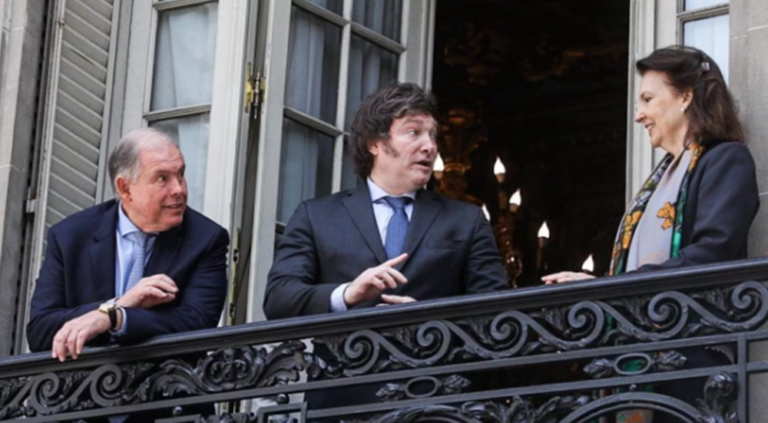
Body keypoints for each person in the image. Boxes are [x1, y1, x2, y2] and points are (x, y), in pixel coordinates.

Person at [543, 46, 759, 422]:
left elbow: (713, 252)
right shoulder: (659, 179)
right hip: (643, 363)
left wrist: (612, 287)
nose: (639, 114)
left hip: (691, 364)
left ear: (685, 96)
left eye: (647, 99)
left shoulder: (726, 159)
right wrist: (603, 286)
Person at [264, 82, 508, 413]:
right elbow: (279, 298)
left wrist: (430, 322)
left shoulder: (466, 220)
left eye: (432, 135)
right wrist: (348, 294)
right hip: (343, 405)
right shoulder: (316, 215)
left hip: (439, 405)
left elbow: (497, 316)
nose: (430, 146)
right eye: (414, 132)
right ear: (375, 143)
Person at [27, 128, 229, 421]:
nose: (179, 189)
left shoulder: (206, 239)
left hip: (167, 411)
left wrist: (117, 319)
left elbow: (196, 322)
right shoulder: (70, 236)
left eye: (181, 174)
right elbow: (40, 332)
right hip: (83, 412)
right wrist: (118, 305)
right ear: (125, 188)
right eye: (162, 178)